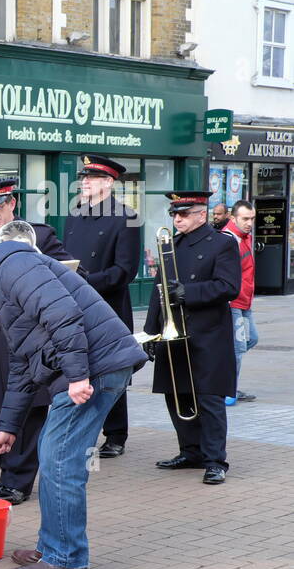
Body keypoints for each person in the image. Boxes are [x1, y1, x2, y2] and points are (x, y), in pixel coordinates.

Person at [0, 243, 146, 569]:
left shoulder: (14, 268)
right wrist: (8, 426)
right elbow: (22, 366)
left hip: (94, 368)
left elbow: (63, 314)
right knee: (53, 456)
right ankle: (52, 547)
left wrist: (78, 375)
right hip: (90, 367)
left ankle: (67, 558)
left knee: (60, 460)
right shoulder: (4, 295)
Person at [0, 179, 75, 504]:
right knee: (2, 408)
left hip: (33, 336)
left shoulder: (40, 235)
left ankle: (20, 482)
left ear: (12, 203)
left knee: (32, 408)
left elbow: (69, 273)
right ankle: (6, 476)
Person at [146, 191, 240, 485]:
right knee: (177, 394)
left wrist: (189, 293)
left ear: (202, 214)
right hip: (174, 332)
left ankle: (215, 460)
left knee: (209, 398)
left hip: (207, 332)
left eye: (184, 213)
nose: (177, 219)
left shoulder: (222, 244)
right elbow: (158, 292)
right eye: (174, 214)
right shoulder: (171, 245)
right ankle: (190, 451)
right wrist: (151, 331)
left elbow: (229, 286)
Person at [63, 155, 141, 458]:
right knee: (79, 366)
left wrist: (86, 282)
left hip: (107, 305)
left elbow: (124, 271)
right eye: (83, 177)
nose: (84, 181)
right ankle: (82, 428)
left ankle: (116, 433)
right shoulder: (75, 213)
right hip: (75, 302)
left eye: (91, 177)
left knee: (111, 367)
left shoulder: (126, 217)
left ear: (108, 182)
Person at [221, 200, 258, 404]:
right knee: (238, 348)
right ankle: (228, 391)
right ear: (233, 218)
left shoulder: (246, 237)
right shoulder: (229, 238)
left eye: (252, 218)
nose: (249, 223)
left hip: (245, 301)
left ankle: (225, 380)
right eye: (245, 218)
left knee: (251, 339)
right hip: (233, 302)